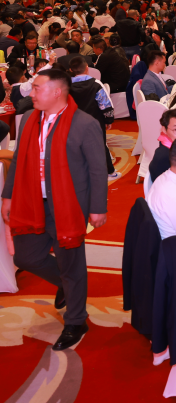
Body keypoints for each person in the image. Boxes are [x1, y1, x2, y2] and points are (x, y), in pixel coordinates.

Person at [1, 69, 108, 350]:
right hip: (32, 201)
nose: (31, 93)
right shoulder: (29, 119)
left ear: (57, 92)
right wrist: (8, 196)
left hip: (68, 204)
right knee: (26, 257)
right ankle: (66, 285)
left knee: (72, 263)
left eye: (37, 88)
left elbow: (98, 169)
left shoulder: (84, 123)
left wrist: (98, 207)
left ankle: (76, 321)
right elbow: (19, 160)